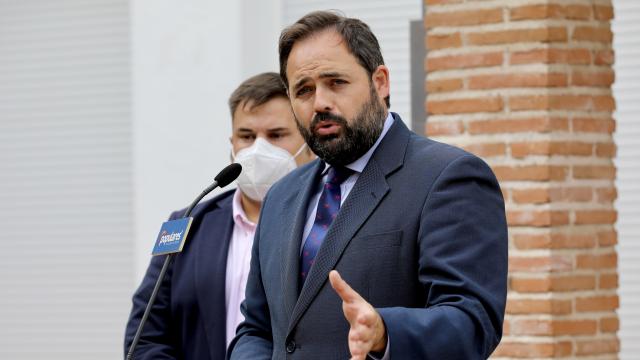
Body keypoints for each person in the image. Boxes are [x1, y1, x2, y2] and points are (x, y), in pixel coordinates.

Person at [228, 11, 508, 360]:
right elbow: (257, 328)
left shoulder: (448, 177)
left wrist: (385, 332)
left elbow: (472, 322)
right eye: (304, 90)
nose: (320, 103)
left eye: (336, 82)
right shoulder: (282, 196)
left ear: (381, 82)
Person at [124, 72, 315, 360]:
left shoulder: (329, 219)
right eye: (246, 136)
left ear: (310, 144)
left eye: (276, 135)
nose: (258, 149)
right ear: (232, 144)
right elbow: (145, 335)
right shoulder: (185, 222)